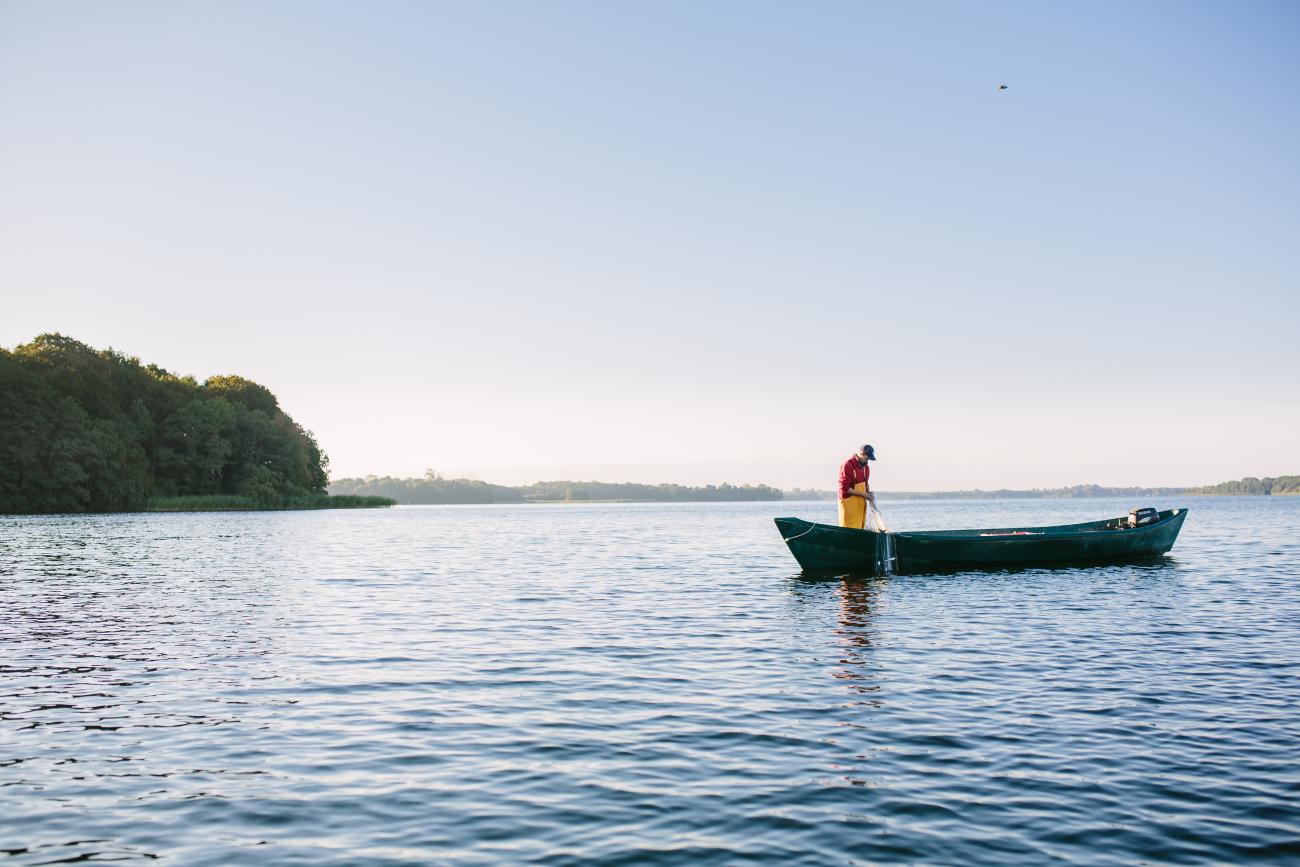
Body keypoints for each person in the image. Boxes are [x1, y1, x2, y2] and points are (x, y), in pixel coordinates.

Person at [838, 444, 876, 529]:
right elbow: (844, 489)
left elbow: (866, 482)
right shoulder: (848, 465)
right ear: (861, 454)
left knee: (859, 529)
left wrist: (869, 493)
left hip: (860, 506)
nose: (867, 462)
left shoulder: (866, 467)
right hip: (848, 506)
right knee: (848, 531)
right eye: (866, 459)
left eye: (869, 459)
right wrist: (863, 494)